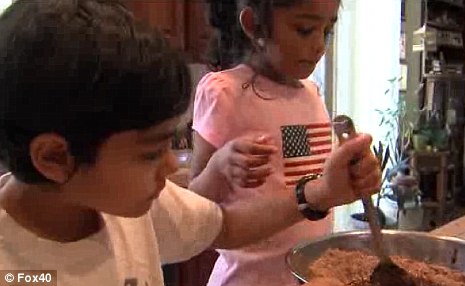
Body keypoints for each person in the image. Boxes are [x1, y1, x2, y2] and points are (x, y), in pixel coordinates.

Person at [0, 0, 380, 285]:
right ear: (54, 157)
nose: (170, 168)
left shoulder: (129, 206)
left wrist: (320, 193)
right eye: (151, 152)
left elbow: (224, 226)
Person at [191, 0, 364, 285]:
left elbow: (314, 183)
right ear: (253, 25)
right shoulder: (224, 92)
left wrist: (353, 171)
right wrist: (219, 166)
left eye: (328, 31)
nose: (320, 45)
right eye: (305, 29)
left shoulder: (312, 93)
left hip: (307, 276)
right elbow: (193, 205)